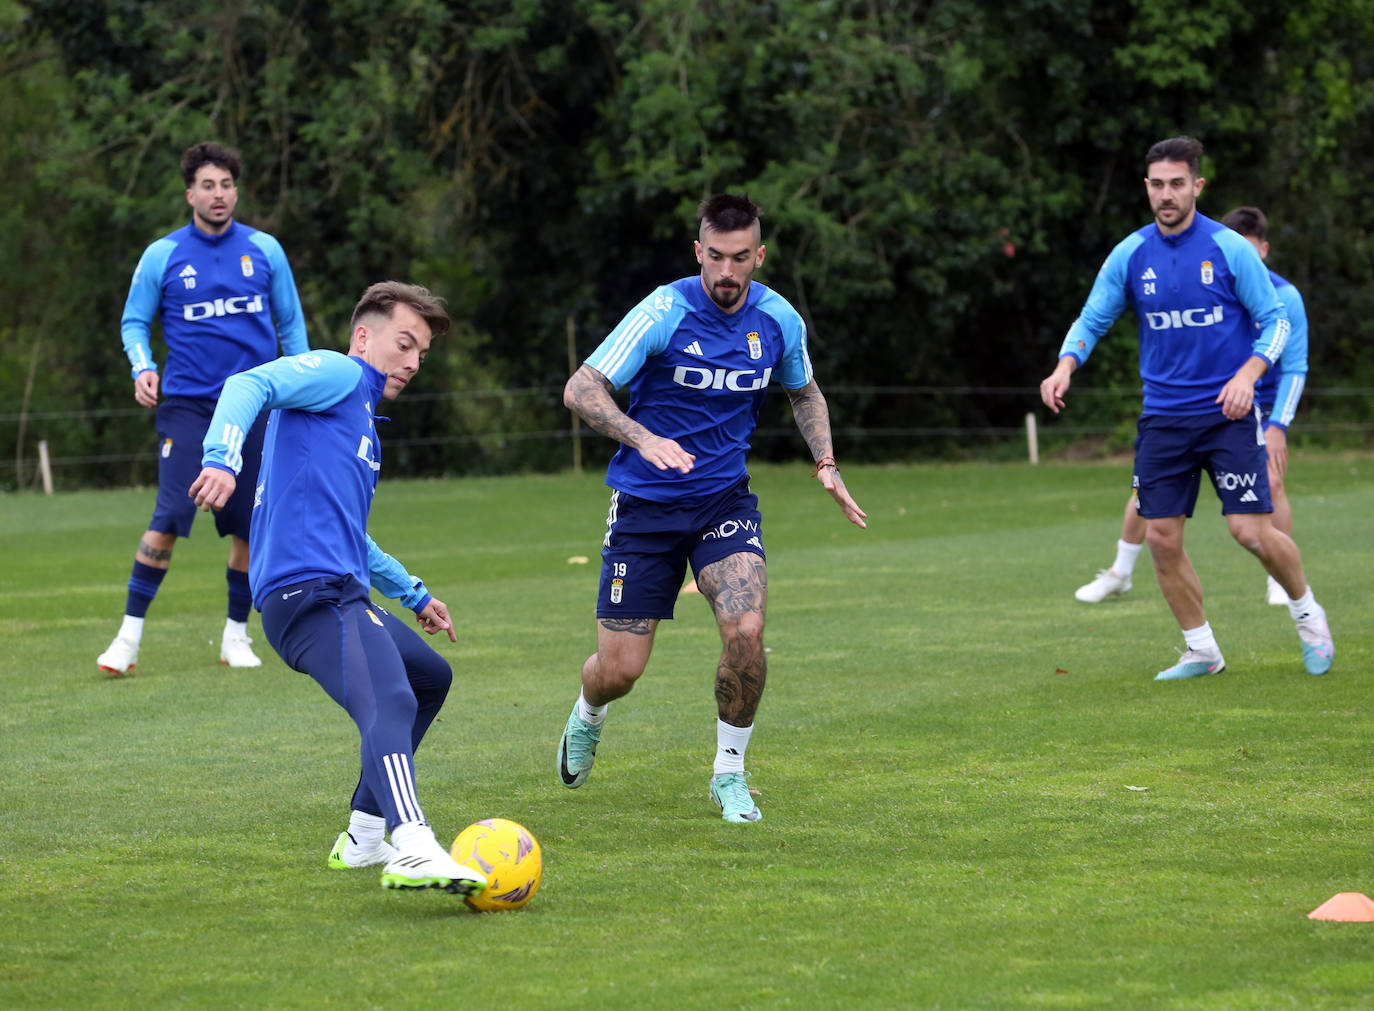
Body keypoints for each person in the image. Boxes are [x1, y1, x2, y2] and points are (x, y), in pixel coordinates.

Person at [556, 194, 867, 823]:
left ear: (758, 255)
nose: (727, 272)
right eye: (716, 258)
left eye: (740, 259)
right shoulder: (663, 311)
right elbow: (580, 388)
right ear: (699, 252)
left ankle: (730, 773)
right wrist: (645, 438)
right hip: (644, 505)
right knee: (619, 672)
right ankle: (589, 714)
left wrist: (827, 463)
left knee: (747, 631)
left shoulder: (779, 319)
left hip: (724, 500)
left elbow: (804, 392)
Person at [188, 281, 486, 897]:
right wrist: (222, 456)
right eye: (403, 344)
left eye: (421, 354)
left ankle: (364, 834)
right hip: (310, 596)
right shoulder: (337, 374)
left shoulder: (363, 423)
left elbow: (354, 535)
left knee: (430, 679)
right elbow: (249, 385)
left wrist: (415, 594)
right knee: (393, 699)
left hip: (339, 591)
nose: (411, 362)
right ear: (363, 336)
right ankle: (413, 844)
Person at [1040, 137, 1334, 680]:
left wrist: (1249, 375)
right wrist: (1064, 366)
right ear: (1146, 188)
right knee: (1160, 536)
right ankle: (1202, 650)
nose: (1167, 194)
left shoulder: (1230, 248)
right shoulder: (1131, 253)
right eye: (1157, 184)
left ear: (1197, 185)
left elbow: (1276, 323)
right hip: (1163, 418)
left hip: (1227, 415)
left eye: (1178, 183)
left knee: (1249, 532)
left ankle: (1308, 615)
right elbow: (1093, 317)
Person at [97, 141, 309, 676]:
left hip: (256, 404)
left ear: (236, 191)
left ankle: (236, 636)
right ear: (190, 192)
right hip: (188, 405)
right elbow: (133, 322)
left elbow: (292, 330)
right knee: (170, 514)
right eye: (208, 185)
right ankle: (127, 638)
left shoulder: (265, 250)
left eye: (227, 185)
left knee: (246, 524)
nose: (219, 195)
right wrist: (142, 365)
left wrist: (303, 390)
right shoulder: (162, 255)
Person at [1074, 205, 1310, 608]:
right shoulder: (1208, 274)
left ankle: (1280, 581)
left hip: (1257, 403)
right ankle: (1120, 571)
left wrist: (1278, 426)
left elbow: (1296, 366)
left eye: (1252, 253)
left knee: (1270, 485)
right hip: (1202, 401)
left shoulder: (1285, 297)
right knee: (1147, 495)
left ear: (1264, 251)